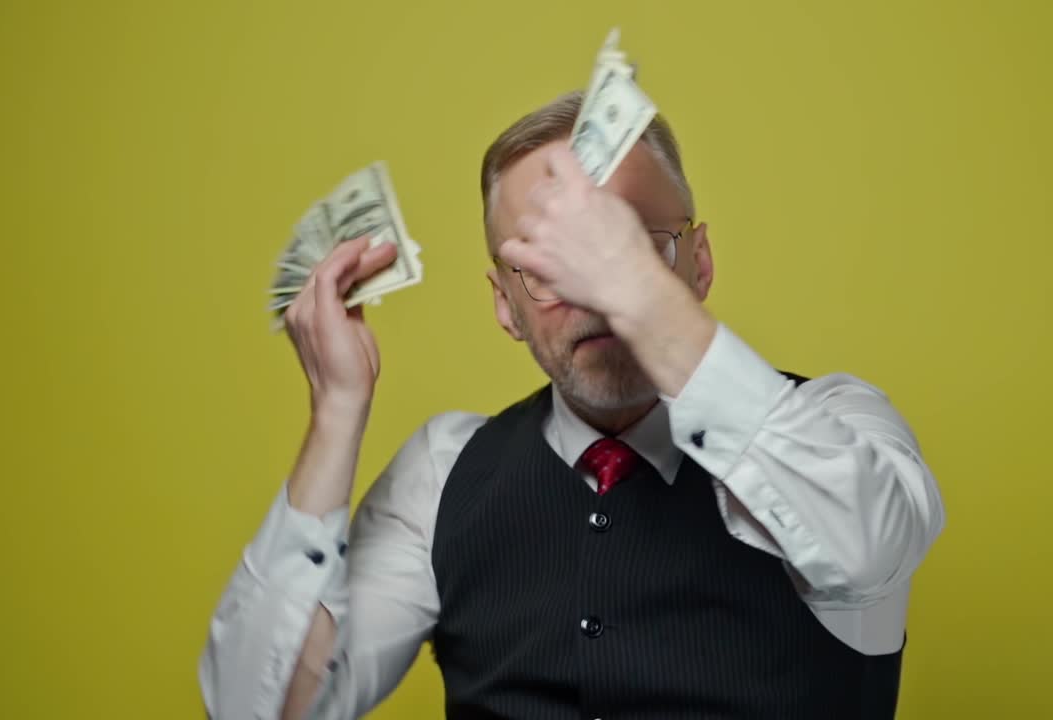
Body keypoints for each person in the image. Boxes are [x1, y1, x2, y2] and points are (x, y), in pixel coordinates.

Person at [198, 90, 946, 720]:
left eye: (633, 245)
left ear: (701, 262)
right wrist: (336, 410)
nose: (594, 292)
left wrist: (646, 301)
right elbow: (257, 711)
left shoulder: (839, 429)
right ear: (505, 307)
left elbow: (866, 551)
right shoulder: (444, 473)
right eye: (551, 268)